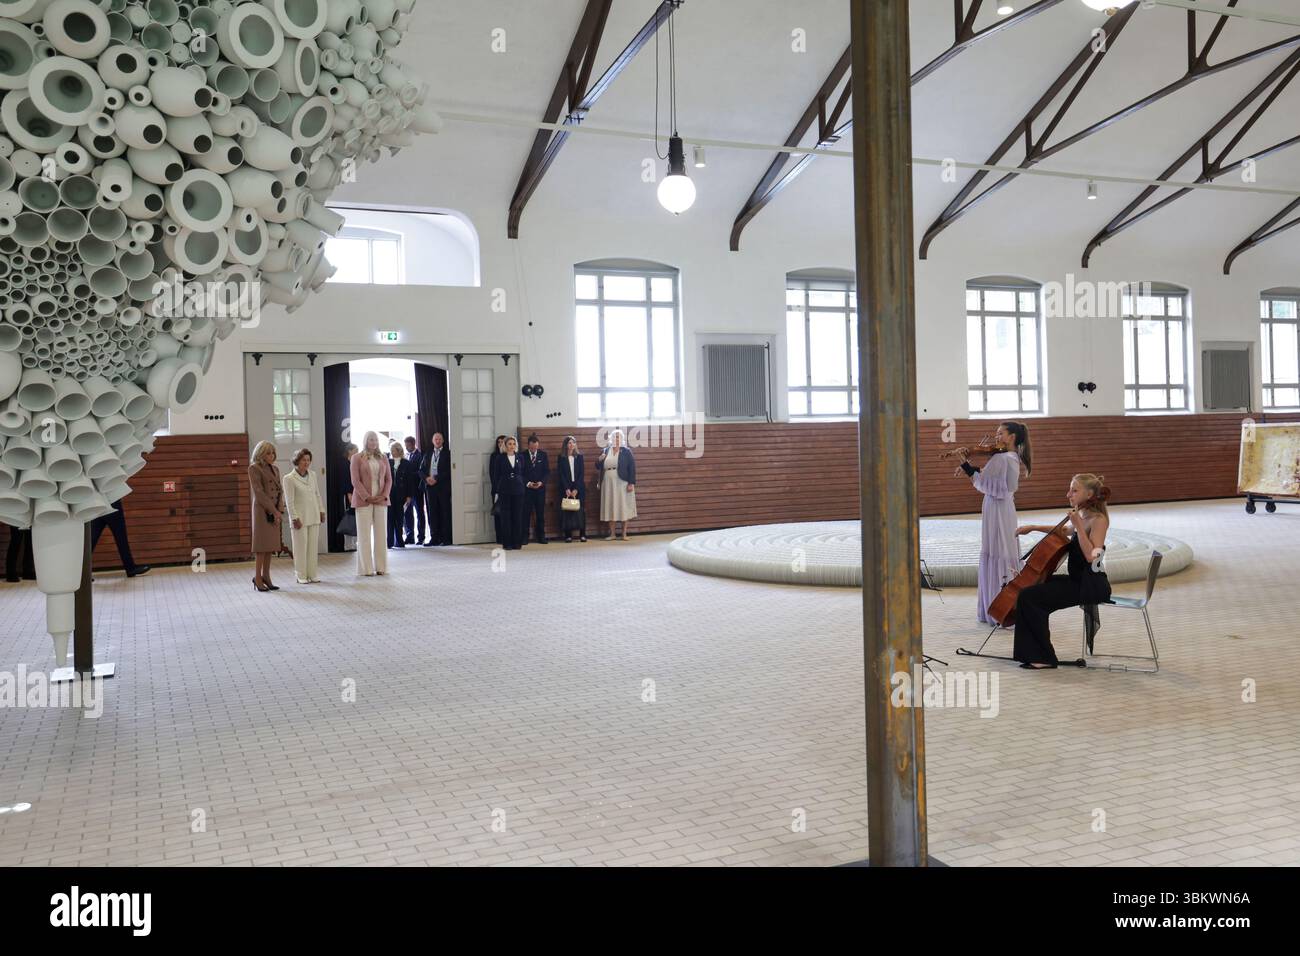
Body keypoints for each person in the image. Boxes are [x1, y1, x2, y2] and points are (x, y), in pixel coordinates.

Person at [1012, 474, 1112, 669]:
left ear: (1090, 494)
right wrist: (1032, 527)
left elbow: (1093, 556)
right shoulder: (1083, 517)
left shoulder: (1099, 520)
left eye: (1074, 490)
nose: (1068, 494)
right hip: (1078, 580)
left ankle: (1042, 657)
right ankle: (1036, 652)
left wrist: (1079, 528)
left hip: (1091, 584)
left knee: (1030, 597)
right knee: (1032, 589)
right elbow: (1064, 530)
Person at [958, 421, 1032, 625]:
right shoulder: (1010, 457)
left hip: (997, 507)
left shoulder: (1003, 458)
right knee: (1003, 549)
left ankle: (998, 607)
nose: (996, 437)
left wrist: (966, 466)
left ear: (1012, 437)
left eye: (1001, 433)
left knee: (998, 549)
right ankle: (1002, 605)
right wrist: (974, 469)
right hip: (1002, 507)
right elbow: (991, 479)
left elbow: (987, 484)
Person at [350, 431, 392, 576]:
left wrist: (383, 495)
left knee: (381, 535)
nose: (373, 442)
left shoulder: (383, 457)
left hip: (381, 500)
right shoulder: (356, 457)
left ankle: (381, 567)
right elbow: (355, 480)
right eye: (370, 439)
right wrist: (367, 497)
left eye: (375, 440)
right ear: (365, 441)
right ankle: (366, 569)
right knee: (364, 535)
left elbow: (389, 480)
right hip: (363, 500)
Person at [282, 448, 325, 584]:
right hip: (299, 519)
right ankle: (300, 575)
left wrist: (321, 510)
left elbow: (317, 494)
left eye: (308, 460)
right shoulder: (289, 478)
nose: (306, 462)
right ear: (297, 461)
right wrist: (294, 518)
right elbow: (289, 501)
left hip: (313, 516)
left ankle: (312, 574)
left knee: (312, 548)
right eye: (303, 460)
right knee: (300, 548)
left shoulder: (312, 475)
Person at [248, 440, 285, 592]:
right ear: (260, 453)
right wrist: (273, 511)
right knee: (261, 546)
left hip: (275, 510)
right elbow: (259, 493)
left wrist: (280, 509)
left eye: (273, 453)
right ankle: (257, 577)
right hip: (262, 511)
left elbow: (280, 490)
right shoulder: (254, 468)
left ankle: (266, 576)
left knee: (270, 546)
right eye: (268, 453)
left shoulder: (275, 469)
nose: (272, 456)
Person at [89, 500, 151, 578]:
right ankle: (130, 568)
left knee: (91, 540)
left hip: (96, 504)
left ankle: (82, 573)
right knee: (121, 538)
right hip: (110, 502)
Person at [597, 429, 637, 540]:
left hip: (623, 482)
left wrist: (631, 483)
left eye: (619, 437)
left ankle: (624, 534)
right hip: (608, 483)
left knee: (623, 506)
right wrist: (599, 460)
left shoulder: (626, 451)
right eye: (614, 437)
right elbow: (598, 466)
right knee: (611, 506)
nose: (616, 439)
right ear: (611, 439)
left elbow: (632, 468)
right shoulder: (605, 450)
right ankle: (612, 534)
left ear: (622, 439)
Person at [420, 431, 452, 546]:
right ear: (432, 441)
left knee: (444, 512)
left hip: (442, 486)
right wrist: (427, 478)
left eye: (439, 439)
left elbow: (449, 470)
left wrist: (436, 478)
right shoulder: (428, 454)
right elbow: (421, 470)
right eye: (435, 439)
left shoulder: (447, 454)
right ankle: (434, 538)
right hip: (430, 487)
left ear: (443, 441)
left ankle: (446, 538)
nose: (437, 441)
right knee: (432, 512)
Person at [494, 436, 526, 550]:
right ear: (505, 446)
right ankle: (507, 543)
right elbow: (496, 475)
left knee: (517, 517)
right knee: (506, 518)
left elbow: (523, 473)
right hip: (504, 490)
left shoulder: (520, 457)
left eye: (513, 444)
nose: (512, 446)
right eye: (509, 444)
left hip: (518, 490)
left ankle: (517, 543)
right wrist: (496, 492)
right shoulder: (500, 458)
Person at [556, 435, 587, 543]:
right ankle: (568, 535)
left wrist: (576, 489)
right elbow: (561, 474)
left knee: (581, 510)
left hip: (578, 487)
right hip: (566, 488)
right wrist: (567, 488)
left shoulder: (579, 457)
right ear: (565, 445)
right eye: (569, 443)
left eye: (573, 443)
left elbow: (581, 474)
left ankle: (582, 534)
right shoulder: (561, 457)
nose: (571, 445)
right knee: (567, 511)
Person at [387, 441, 416, 549]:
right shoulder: (388, 462)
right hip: (389, 494)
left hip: (401, 494)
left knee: (399, 518)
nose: (392, 452)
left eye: (393, 450)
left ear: (399, 450)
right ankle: (389, 542)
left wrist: (409, 496)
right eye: (391, 450)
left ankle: (399, 541)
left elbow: (410, 481)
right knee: (389, 518)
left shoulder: (406, 463)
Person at [523, 433, 550, 544]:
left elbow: (547, 472)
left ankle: (541, 536)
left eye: (536, 447)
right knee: (526, 514)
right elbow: (520, 472)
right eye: (532, 447)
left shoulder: (543, 455)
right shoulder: (522, 455)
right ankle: (525, 537)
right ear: (528, 446)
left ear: (538, 445)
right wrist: (528, 483)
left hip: (540, 490)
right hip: (527, 490)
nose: (534, 449)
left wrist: (541, 482)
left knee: (540, 514)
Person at [402, 435, 426, 545]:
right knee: (407, 513)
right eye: (405, 445)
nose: (406, 447)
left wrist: (409, 475)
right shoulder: (405, 456)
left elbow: (421, 472)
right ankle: (409, 536)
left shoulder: (420, 455)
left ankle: (421, 537)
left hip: (417, 489)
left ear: (413, 444)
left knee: (420, 513)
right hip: (407, 490)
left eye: (408, 445)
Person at [489, 435, 507, 546]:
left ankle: (507, 536)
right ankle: (499, 537)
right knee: (498, 513)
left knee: (507, 513)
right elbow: (492, 474)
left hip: (508, 489)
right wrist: (497, 489)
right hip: (497, 489)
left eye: (502, 442)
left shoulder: (509, 455)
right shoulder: (494, 456)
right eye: (498, 442)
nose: (500, 444)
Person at [340, 442, 358, 551]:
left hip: (355, 493)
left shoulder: (354, 462)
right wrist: (349, 494)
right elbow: (346, 481)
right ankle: (348, 544)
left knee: (355, 519)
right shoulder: (345, 464)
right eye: (355, 449)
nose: (357, 451)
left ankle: (354, 543)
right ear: (350, 451)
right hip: (349, 494)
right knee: (349, 519)